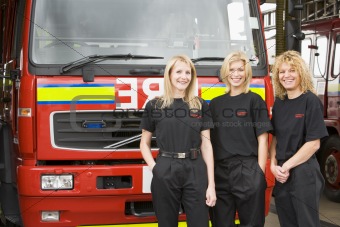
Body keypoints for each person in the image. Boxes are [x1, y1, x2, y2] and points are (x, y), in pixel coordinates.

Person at [139, 54, 216, 227]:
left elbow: (206, 145)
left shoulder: (200, 105)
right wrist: (155, 168)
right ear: (169, 75)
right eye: (179, 72)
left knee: (200, 223)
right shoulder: (155, 105)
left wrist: (211, 185)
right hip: (165, 168)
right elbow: (144, 143)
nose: (184, 77)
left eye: (188, 73)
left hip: (195, 169)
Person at [210, 51, 272, 227]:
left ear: (247, 73)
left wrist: (259, 174)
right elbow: (208, 142)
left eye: (240, 69)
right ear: (225, 72)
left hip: (248, 169)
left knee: (251, 223)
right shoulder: (214, 103)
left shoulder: (255, 100)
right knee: (220, 223)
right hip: (220, 171)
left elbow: (263, 139)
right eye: (232, 69)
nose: (236, 74)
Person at [269, 50, 328, 227]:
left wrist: (286, 166)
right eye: (282, 71)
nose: (286, 75)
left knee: (306, 223)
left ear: (301, 72)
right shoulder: (279, 102)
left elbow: (314, 143)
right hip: (282, 173)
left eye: (292, 70)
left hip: (304, 171)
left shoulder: (310, 101)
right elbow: (276, 138)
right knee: (287, 222)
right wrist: (273, 165)